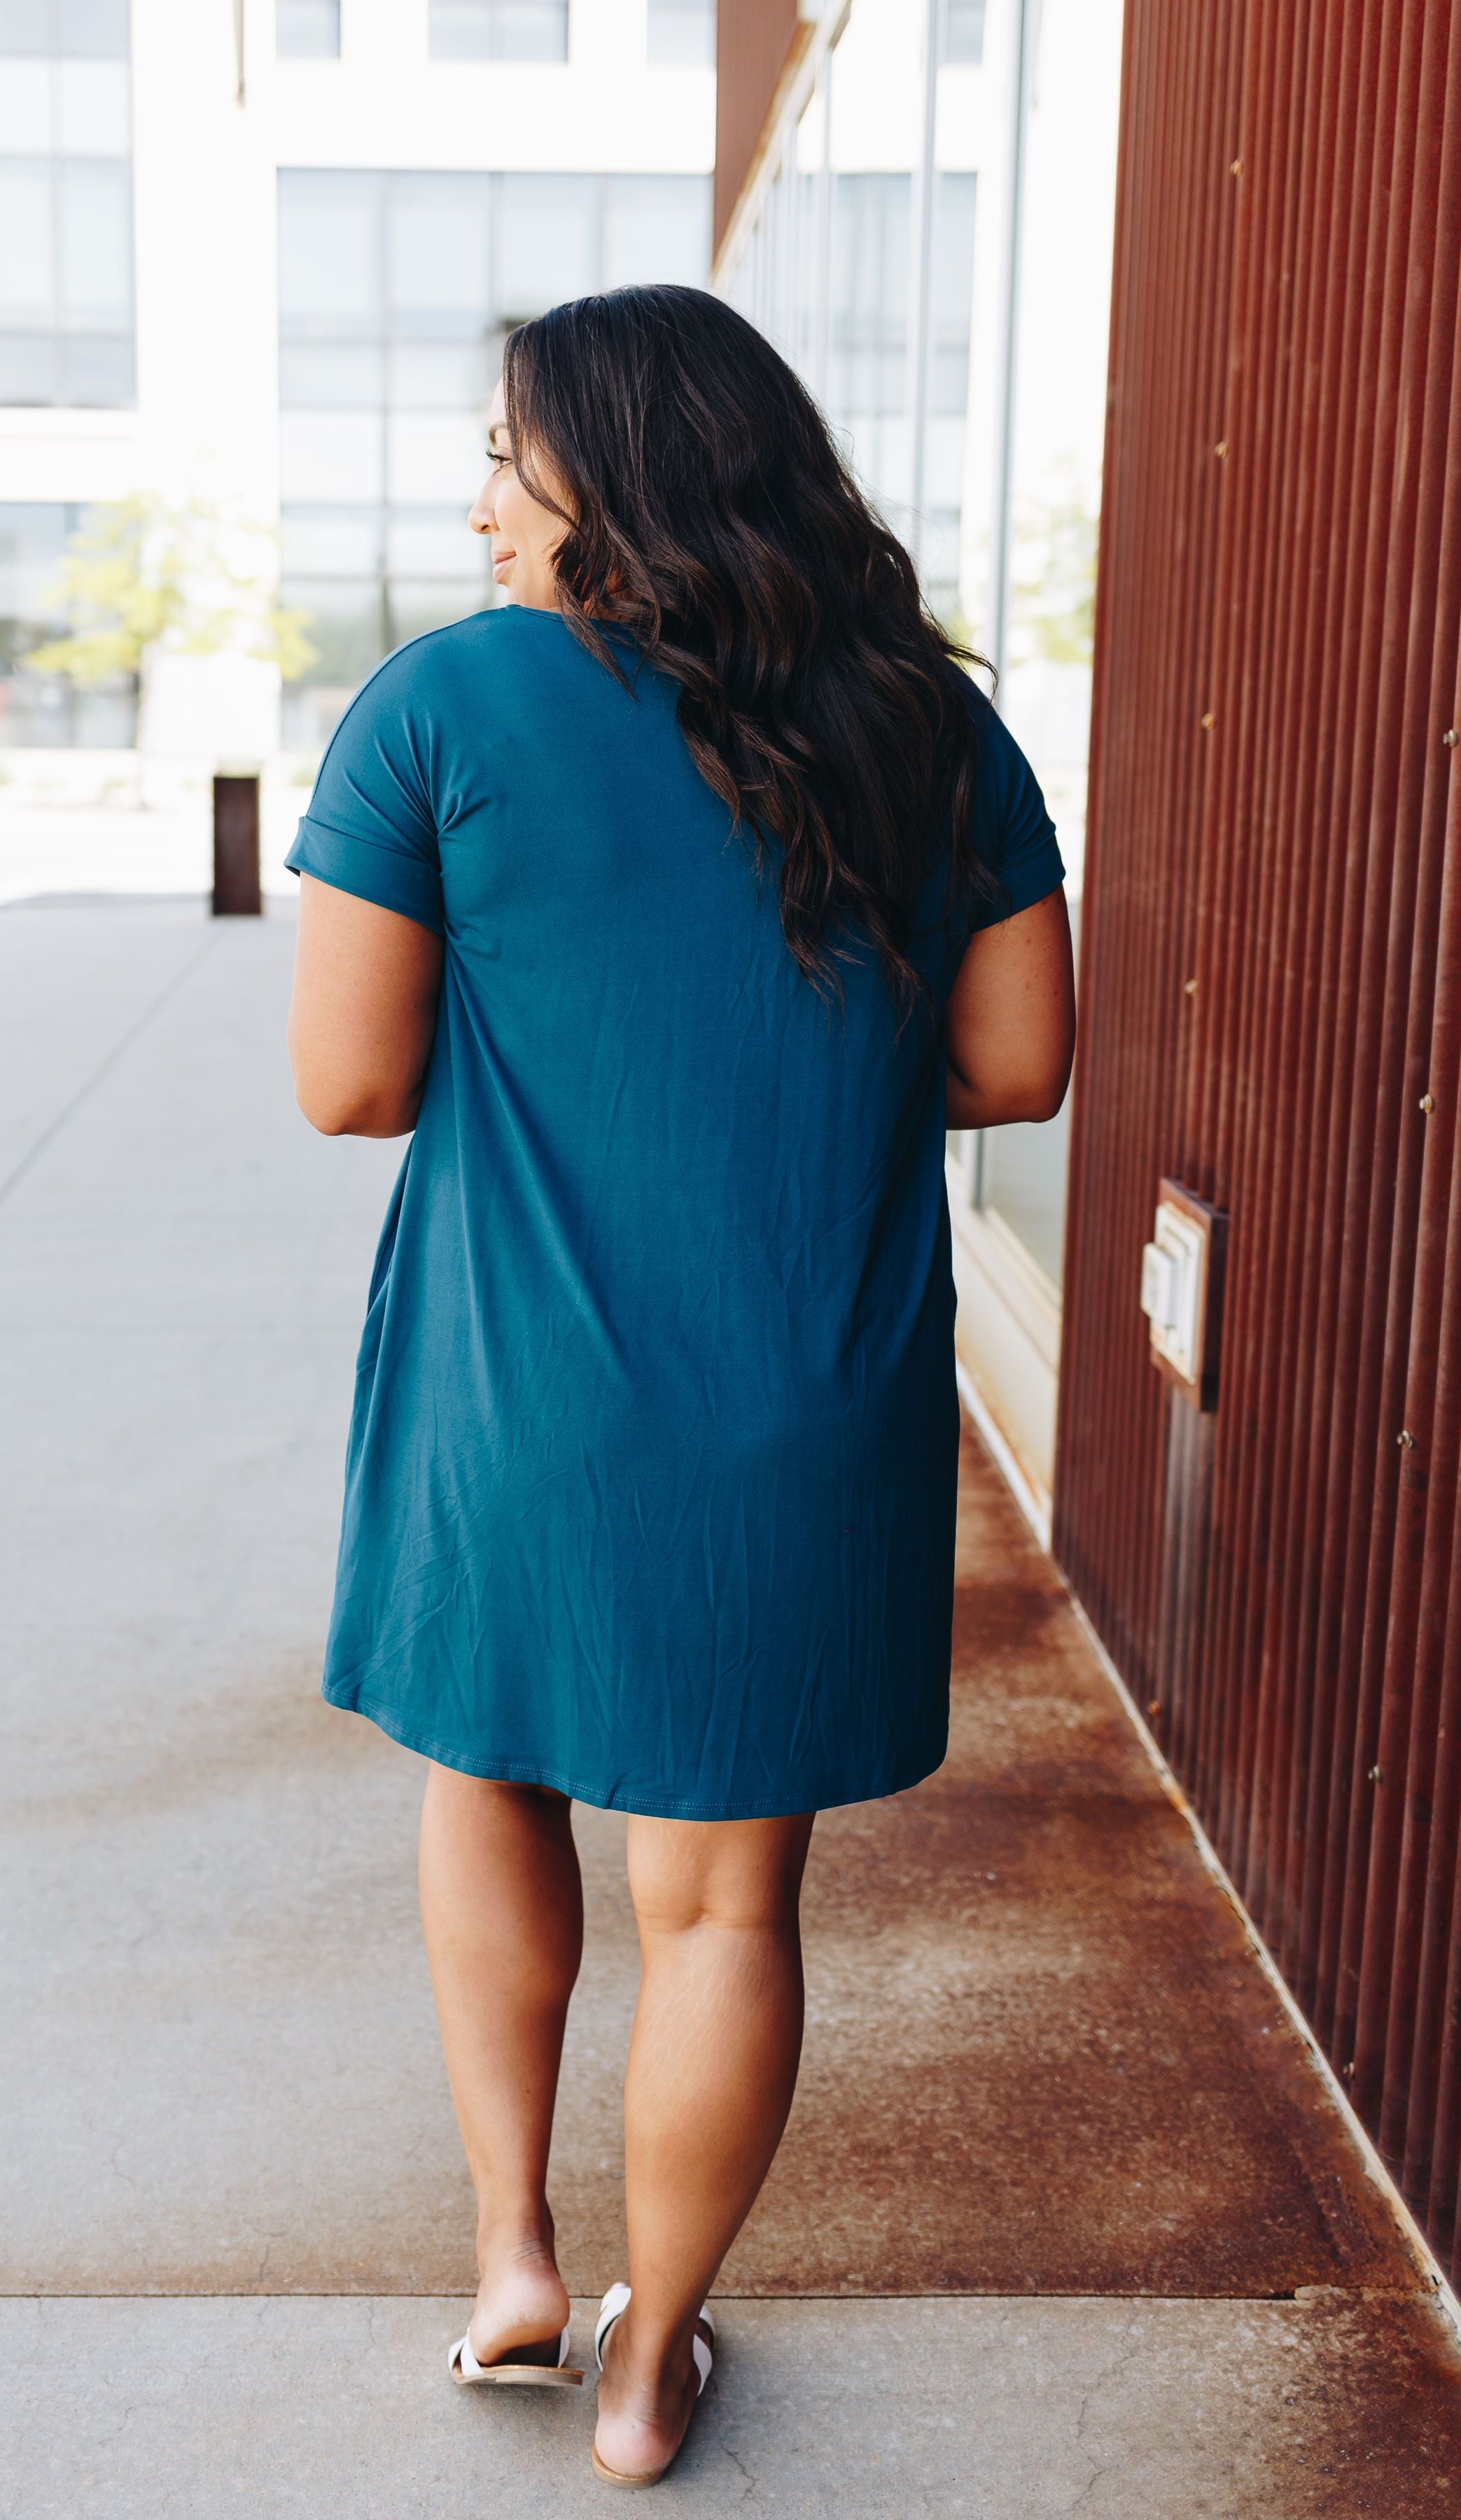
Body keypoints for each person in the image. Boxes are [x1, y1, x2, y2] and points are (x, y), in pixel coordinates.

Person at [286, 284, 1074, 2488]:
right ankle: (656, 2374)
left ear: (607, 478)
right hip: (800, 1405)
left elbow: (347, 1082)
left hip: (517, 1391)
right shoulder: (928, 729)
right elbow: (1021, 1067)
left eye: (504, 463)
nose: (477, 504)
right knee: (726, 1901)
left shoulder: (441, 710)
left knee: (491, 1780)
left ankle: (519, 2256)